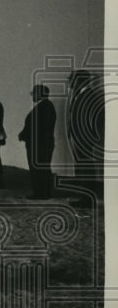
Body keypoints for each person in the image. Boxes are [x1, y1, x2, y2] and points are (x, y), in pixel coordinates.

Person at [66, 69, 105, 207]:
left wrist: (87, 136)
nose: (69, 83)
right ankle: (84, 198)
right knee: (82, 167)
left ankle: (87, 199)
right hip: (80, 139)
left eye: (71, 79)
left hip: (84, 139)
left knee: (85, 167)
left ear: (79, 81)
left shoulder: (88, 95)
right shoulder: (82, 95)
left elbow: (97, 118)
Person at [18, 83, 56, 199]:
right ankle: (42, 192)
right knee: (40, 168)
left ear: (39, 94)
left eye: (33, 93)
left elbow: (39, 128)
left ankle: (41, 193)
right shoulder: (45, 106)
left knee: (39, 168)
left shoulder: (45, 107)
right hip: (39, 144)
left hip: (40, 145)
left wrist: (25, 135)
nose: (32, 95)